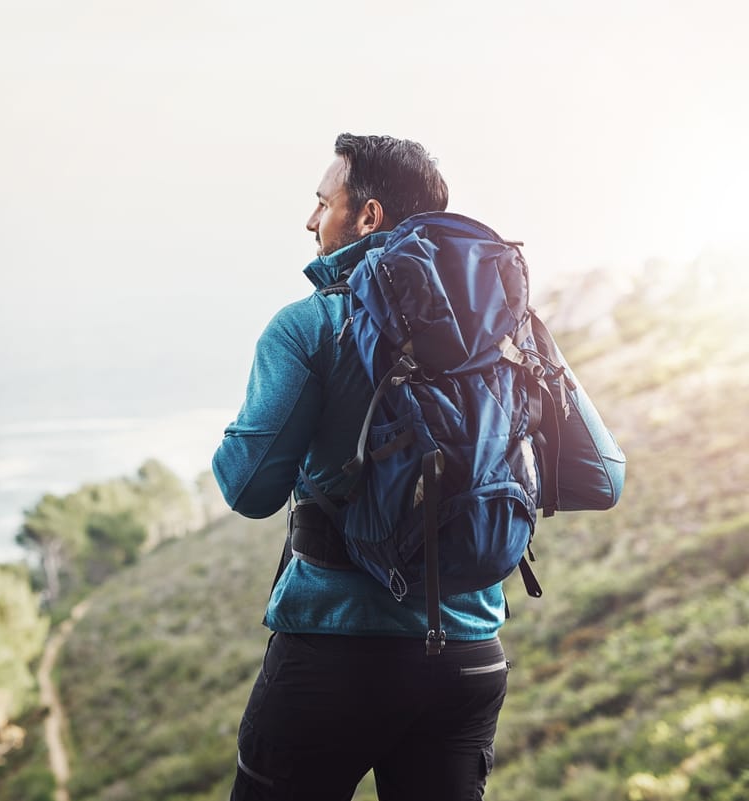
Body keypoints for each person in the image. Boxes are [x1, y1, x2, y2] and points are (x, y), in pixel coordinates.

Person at [211, 133, 624, 800]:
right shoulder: (511, 325)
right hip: (467, 660)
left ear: (367, 216)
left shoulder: (309, 323)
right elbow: (603, 477)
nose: (311, 220)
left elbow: (249, 488)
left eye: (323, 203)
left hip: (331, 657)